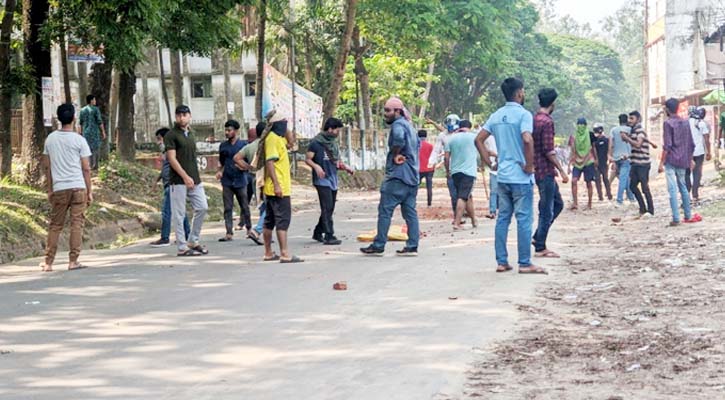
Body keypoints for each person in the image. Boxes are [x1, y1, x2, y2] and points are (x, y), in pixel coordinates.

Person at [476, 77, 544, 274]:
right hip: (520, 177)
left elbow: (479, 139)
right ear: (520, 92)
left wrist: (488, 161)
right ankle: (524, 262)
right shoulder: (524, 115)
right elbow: (527, 138)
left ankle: (502, 261)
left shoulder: (496, 115)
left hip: (502, 175)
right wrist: (530, 166)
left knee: (503, 218)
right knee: (523, 219)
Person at [361, 97, 420, 256]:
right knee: (410, 213)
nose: (385, 114)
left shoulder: (399, 125)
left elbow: (399, 139)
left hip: (398, 177)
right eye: (385, 110)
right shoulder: (411, 127)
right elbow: (417, 147)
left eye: (388, 110)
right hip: (413, 177)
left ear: (398, 111)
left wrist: (396, 154)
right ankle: (412, 245)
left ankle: (379, 244)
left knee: (385, 211)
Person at [39, 103, 93, 272]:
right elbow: (86, 168)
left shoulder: (50, 139)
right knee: (77, 225)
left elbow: (47, 167)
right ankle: (73, 261)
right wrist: (89, 191)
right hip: (78, 187)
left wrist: (50, 189)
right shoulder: (79, 140)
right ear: (74, 118)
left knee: (55, 225)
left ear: (59, 119)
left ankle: (48, 262)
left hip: (60, 188)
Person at [165, 105, 209, 256]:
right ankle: (182, 247)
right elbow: (171, 158)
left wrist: (193, 177)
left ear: (190, 116)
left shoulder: (191, 134)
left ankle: (193, 240)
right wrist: (184, 176)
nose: (181, 117)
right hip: (177, 180)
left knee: (202, 207)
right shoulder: (171, 135)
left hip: (195, 179)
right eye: (179, 115)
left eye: (184, 114)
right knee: (179, 214)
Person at [260, 112, 303, 263]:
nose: (286, 125)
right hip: (278, 188)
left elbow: (291, 143)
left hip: (275, 188)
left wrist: (287, 128)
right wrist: (277, 185)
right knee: (281, 221)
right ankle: (284, 253)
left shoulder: (279, 138)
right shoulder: (272, 139)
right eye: (284, 122)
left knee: (270, 220)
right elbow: (270, 162)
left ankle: (269, 253)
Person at [532, 88, 569, 259]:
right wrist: (562, 170)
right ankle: (540, 246)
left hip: (538, 168)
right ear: (552, 104)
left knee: (557, 203)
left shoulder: (533, 119)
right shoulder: (546, 122)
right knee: (547, 209)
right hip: (545, 170)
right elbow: (548, 150)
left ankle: (538, 236)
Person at [306, 117, 353, 245]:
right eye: (337, 130)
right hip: (321, 180)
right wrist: (316, 166)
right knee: (326, 207)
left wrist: (346, 167)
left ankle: (317, 232)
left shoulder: (333, 143)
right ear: (330, 129)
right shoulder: (316, 143)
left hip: (332, 178)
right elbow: (308, 159)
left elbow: (336, 161)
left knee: (330, 208)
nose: (338, 133)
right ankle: (329, 235)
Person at [658, 98, 701, 225]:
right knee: (683, 187)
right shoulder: (686, 122)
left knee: (672, 189)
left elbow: (667, 145)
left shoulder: (668, 124)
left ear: (667, 109)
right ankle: (687, 215)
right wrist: (690, 158)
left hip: (671, 160)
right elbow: (691, 143)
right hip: (683, 160)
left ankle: (676, 218)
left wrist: (661, 163)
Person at [149, 128, 190, 247]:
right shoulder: (166, 153)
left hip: (173, 184)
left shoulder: (173, 152)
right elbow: (165, 169)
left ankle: (165, 237)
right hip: (170, 184)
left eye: (159, 139)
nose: (158, 143)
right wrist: (156, 181)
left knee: (167, 212)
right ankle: (187, 235)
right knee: (181, 212)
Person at [216, 119, 254, 242]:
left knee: (244, 206)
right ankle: (229, 232)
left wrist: (244, 167)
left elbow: (249, 161)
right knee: (228, 207)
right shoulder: (223, 146)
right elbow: (221, 162)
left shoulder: (243, 145)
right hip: (227, 181)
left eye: (229, 130)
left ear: (236, 131)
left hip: (241, 180)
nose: (227, 132)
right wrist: (219, 171)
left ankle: (249, 229)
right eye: (226, 130)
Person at [233, 122, 266, 245]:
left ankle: (264, 232)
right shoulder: (266, 145)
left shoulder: (250, 146)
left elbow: (236, 158)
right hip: (265, 178)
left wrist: (248, 167)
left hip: (253, 178)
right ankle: (257, 230)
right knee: (270, 205)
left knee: (263, 205)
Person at [445, 119, 479, 230]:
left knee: (467, 195)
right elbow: (482, 150)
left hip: (455, 172)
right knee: (462, 197)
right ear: (470, 127)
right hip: (468, 172)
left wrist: (447, 170)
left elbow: (446, 157)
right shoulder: (474, 137)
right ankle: (457, 222)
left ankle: (474, 220)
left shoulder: (450, 138)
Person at [427, 114, 461, 218]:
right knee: (454, 195)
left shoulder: (461, 134)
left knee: (464, 194)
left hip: (463, 167)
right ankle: (457, 215)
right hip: (450, 168)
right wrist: (431, 161)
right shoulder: (442, 136)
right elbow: (436, 150)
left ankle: (463, 212)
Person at [622, 110, 654, 216]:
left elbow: (638, 144)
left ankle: (650, 210)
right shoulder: (634, 130)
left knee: (644, 187)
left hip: (643, 164)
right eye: (629, 118)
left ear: (638, 119)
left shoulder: (640, 130)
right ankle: (642, 208)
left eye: (632, 118)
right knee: (633, 186)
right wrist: (629, 156)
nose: (629, 120)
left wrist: (627, 138)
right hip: (635, 163)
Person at [569, 118, 597, 210]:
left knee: (589, 182)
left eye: (582, 124)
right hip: (577, 161)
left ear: (585, 125)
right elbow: (572, 150)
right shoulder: (573, 136)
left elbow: (593, 148)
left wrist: (596, 159)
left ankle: (589, 203)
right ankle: (575, 203)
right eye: (579, 124)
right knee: (574, 181)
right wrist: (569, 163)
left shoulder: (590, 134)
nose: (580, 126)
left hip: (588, 161)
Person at [686, 107, 711, 201]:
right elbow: (706, 139)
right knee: (697, 172)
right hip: (699, 151)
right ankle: (695, 194)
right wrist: (709, 152)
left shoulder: (685, 123)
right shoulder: (701, 123)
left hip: (688, 152)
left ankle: (686, 194)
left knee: (687, 173)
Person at [609, 114, 634, 206]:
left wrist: (610, 155)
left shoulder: (613, 130)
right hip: (627, 157)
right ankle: (619, 200)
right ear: (626, 120)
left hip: (616, 157)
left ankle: (631, 197)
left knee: (625, 178)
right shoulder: (630, 130)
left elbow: (611, 144)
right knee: (624, 179)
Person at [79, 94, 106, 170]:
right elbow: (99, 121)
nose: (95, 101)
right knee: (96, 148)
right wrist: (103, 131)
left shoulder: (82, 110)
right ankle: (96, 165)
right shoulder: (95, 109)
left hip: (86, 132)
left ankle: (89, 165)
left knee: (88, 148)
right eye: (94, 99)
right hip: (94, 131)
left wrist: (80, 132)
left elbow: (80, 122)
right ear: (91, 101)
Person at [591, 123, 612, 201]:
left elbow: (610, 150)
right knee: (597, 179)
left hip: (604, 162)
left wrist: (609, 159)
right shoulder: (594, 141)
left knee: (605, 179)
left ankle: (609, 194)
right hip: (596, 163)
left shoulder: (606, 140)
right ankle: (600, 196)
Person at [418, 129, 435, 207]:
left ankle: (412, 201)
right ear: (426, 136)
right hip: (429, 168)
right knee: (429, 187)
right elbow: (433, 157)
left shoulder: (416, 146)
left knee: (415, 186)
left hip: (419, 169)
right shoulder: (430, 146)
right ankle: (429, 203)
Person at [484, 134, 498, 219]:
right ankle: (492, 211)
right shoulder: (488, 137)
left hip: (505, 168)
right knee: (493, 191)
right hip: (494, 168)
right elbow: (485, 150)